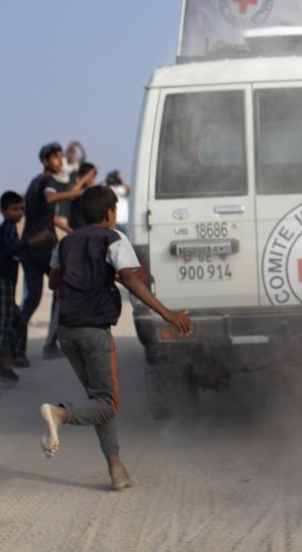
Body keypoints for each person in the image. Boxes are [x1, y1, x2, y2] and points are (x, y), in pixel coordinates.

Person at [38, 186, 191, 490]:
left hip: (67, 331)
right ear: (110, 213)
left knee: (99, 398)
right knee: (106, 404)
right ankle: (60, 414)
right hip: (94, 330)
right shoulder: (114, 238)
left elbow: (54, 281)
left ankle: (116, 469)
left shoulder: (66, 242)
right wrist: (167, 313)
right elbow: (131, 278)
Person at [19, 143, 92, 367]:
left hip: (29, 247)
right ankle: (50, 345)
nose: (60, 161)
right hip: (43, 247)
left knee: (31, 299)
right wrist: (75, 193)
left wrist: (69, 230)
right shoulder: (48, 181)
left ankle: (14, 348)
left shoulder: (34, 182)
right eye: (55, 157)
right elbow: (51, 199)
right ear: (45, 161)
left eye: (61, 156)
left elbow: (47, 215)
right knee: (61, 291)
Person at [0, 191, 51, 395]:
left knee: (17, 321)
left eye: (21, 209)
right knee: (5, 329)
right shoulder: (7, 228)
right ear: (3, 211)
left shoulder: (6, 230)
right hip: (0, 284)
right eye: (14, 209)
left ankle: (6, 366)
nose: (19, 213)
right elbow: (12, 248)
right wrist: (35, 240)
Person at [41, 161, 98, 359]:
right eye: (92, 176)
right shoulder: (75, 193)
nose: (93, 180)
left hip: (86, 247)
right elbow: (57, 214)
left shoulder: (88, 195)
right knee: (63, 296)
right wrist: (72, 232)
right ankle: (50, 344)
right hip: (77, 249)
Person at [105, 170, 130, 234]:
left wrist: (121, 180)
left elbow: (129, 192)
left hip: (124, 220)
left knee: (125, 238)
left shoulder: (122, 188)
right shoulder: (109, 188)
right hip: (114, 220)